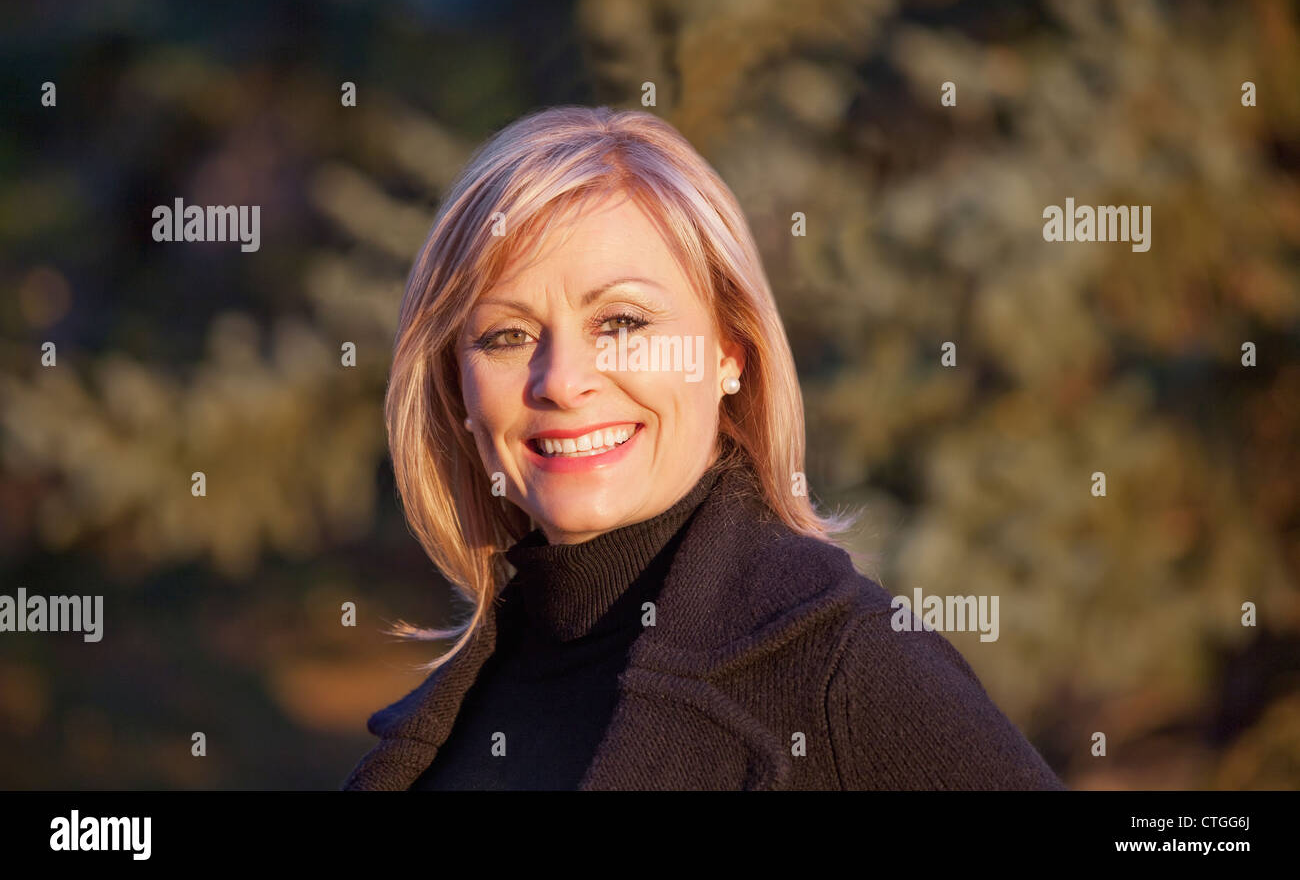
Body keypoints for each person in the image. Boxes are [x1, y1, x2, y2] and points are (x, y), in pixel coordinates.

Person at [341, 105, 1065, 790]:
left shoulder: (841, 663)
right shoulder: (456, 713)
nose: (561, 381)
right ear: (455, 387)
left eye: (621, 321)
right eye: (507, 335)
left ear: (730, 352)